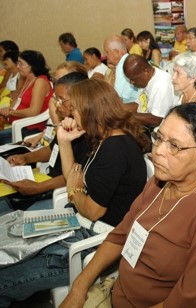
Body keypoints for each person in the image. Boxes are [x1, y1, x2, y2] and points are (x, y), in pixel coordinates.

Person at [60, 103, 196, 307]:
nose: (158, 152)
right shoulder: (159, 183)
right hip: (114, 293)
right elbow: (119, 236)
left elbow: (191, 300)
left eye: (174, 146)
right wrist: (78, 288)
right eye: (159, 138)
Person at [0, 78, 149, 306]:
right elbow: (74, 179)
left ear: (90, 110)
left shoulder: (115, 149)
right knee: (6, 248)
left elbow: (92, 210)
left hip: (94, 243)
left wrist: (74, 190)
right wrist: (64, 141)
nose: (70, 113)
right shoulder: (103, 138)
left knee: (5, 280)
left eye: (74, 108)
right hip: (77, 226)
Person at [0, 72, 89, 215]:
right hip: (46, 179)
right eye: (56, 98)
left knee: (7, 212)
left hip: (60, 192)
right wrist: (26, 158)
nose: (57, 104)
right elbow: (53, 149)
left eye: (61, 100)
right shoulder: (67, 122)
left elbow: (78, 175)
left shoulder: (86, 131)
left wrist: (38, 187)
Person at [0, 50, 53, 145]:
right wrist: (7, 110)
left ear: (32, 66)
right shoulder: (28, 79)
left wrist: (11, 112)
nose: (18, 67)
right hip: (17, 124)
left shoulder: (40, 82)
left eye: (21, 64)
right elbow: (18, 100)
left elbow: (33, 111)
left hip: (30, 127)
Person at [123, 54, 175, 130]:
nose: (131, 82)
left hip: (157, 131)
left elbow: (157, 119)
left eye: (133, 79)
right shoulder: (144, 79)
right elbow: (138, 105)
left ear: (146, 71)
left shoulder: (161, 84)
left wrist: (124, 115)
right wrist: (116, 108)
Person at [103, 35, 138, 103]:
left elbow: (118, 97)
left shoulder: (124, 65)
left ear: (116, 51)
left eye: (107, 52)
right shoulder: (124, 62)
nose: (105, 56)